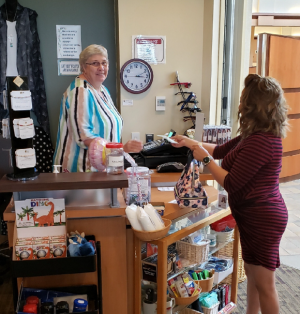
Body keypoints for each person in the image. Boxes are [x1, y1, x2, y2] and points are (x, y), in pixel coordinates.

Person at [172, 74, 289, 314]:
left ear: (253, 105)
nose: (239, 104)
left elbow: (232, 182)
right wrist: (189, 142)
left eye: (243, 99)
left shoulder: (262, 141)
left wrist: (203, 158)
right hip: (252, 217)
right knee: (254, 275)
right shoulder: (254, 135)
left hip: (263, 219)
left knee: (265, 284)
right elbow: (221, 150)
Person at [53, 44, 143, 172]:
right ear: (84, 67)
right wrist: (120, 148)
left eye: (104, 63)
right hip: (80, 171)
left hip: (100, 169)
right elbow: (85, 137)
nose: (101, 67)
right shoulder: (81, 91)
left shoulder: (102, 90)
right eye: (95, 63)